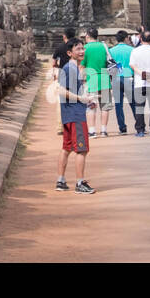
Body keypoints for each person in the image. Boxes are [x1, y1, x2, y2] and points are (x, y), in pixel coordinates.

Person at [55, 39, 97, 193]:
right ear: (69, 52)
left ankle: (61, 180)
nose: (81, 51)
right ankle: (80, 184)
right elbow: (60, 90)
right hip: (75, 115)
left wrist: (86, 101)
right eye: (78, 49)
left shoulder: (74, 68)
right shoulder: (70, 68)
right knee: (81, 150)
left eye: (82, 48)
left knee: (66, 148)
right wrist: (81, 99)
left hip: (70, 113)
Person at [129, 30, 150, 137]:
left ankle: (140, 130)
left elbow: (132, 65)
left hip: (139, 82)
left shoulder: (135, 51)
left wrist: (141, 74)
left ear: (140, 39)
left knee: (139, 107)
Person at [82, 28, 113, 137]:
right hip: (104, 78)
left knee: (91, 106)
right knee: (105, 106)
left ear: (87, 36)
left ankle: (92, 131)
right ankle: (104, 130)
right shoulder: (103, 46)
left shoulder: (85, 48)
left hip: (92, 79)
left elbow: (82, 65)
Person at [110, 30, 135, 135]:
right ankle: (139, 124)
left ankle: (122, 127)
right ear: (126, 38)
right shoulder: (132, 50)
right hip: (129, 76)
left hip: (116, 77)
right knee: (133, 102)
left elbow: (110, 65)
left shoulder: (111, 50)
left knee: (118, 104)